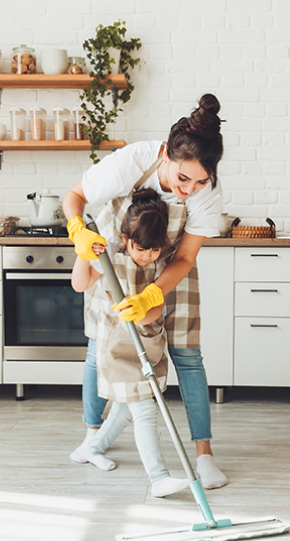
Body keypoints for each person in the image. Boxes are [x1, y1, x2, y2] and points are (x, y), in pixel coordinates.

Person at [62, 94, 228, 489]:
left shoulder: (207, 192)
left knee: (188, 356)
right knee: (99, 347)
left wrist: (155, 294)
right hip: (115, 258)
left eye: (200, 180)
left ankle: (203, 457)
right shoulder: (135, 160)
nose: (189, 189)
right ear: (165, 156)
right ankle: (92, 437)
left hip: (170, 267)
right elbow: (75, 196)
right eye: (182, 178)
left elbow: (184, 257)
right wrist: (78, 233)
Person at [69, 190, 192, 497]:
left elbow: (157, 307)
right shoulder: (110, 259)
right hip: (117, 347)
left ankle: (91, 449)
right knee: (144, 409)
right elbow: (79, 284)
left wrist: (143, 308)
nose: (146, 255)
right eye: (140, 248)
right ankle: (158, 477)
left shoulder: (160, 263)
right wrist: (83, 254)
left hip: (147, 343)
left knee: (126, 407)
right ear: (124, 237)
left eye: (153, 249)